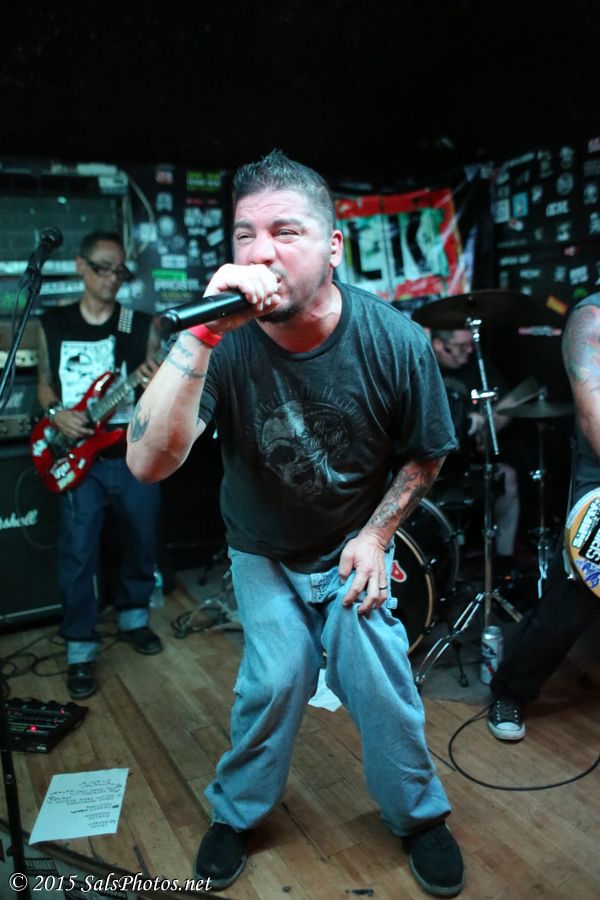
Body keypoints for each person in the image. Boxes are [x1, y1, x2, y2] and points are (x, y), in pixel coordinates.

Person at [127, 151, 464, 897]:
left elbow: (428, 453)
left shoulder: (393, 340)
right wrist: (200, 336)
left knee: (379, 678)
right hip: (262, 547)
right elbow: (147, 464)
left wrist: (376, 535)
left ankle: (420, 817)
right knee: (275, 679)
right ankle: (236, 814)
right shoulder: (224, 343)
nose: (260, 252)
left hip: (350, 543)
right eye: (245, 235)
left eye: (285, 231)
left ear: (333, 246)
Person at [36, 230, 164, 701]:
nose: (112, 278)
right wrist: (57, 414)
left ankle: (133, 618)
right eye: (102, 268)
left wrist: (156, 380)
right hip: (76, 454)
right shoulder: (54, 321)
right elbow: (45, 383)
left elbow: (155, 385)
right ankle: (79, 647)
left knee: (140, 539)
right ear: (80, 266)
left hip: (129, 451)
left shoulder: (136, 322)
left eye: (120, 270)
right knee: (77, 553)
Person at [487, 295, 600, 740]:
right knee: (569, 603)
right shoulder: (591, 318)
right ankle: (510, 690)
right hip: (599, 489)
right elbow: (593, 415)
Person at [430, 329, 520, 574]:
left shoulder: (477, 365)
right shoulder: (424, 366)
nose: (469, 351)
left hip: (469, 463)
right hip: (430, 468)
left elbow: (510, 402)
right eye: (461, 347)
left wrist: (487, 424)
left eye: (470, 345)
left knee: (508, 478)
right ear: (439, 345)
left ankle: (505, 561)